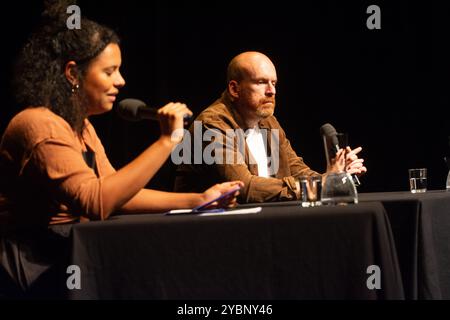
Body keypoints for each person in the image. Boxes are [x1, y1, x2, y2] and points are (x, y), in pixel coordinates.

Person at [0, 1, 242, 297]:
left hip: (71, 251)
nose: (121, 81)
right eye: (110, 71)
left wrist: (198, 200)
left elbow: (118, 195)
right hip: (36, 266)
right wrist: (167, 141)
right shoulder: (39, 125)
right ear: (73, 73)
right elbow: (97, 201)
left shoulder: (82, 127)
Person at [174, 51, 366, 202]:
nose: (271, 91)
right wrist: (321, 184)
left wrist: (334, 177)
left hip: (259, 221)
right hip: (208, 230)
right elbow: (244, 188)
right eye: (261, 82)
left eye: (274, 83)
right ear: (234, 89)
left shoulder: (268, 121)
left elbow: (297, 169)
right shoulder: (212, 124)